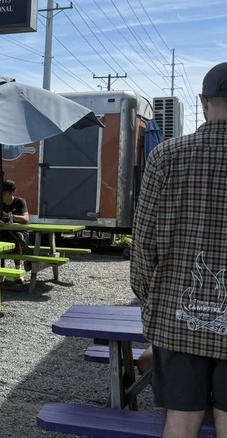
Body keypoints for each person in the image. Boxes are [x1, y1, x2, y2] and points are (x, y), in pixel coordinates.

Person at [130, 62, 227, 436]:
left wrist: (151, 298)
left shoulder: (166, 156)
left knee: (181, 418)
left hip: (177, 315)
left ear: (203, 102)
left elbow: (142, 244)